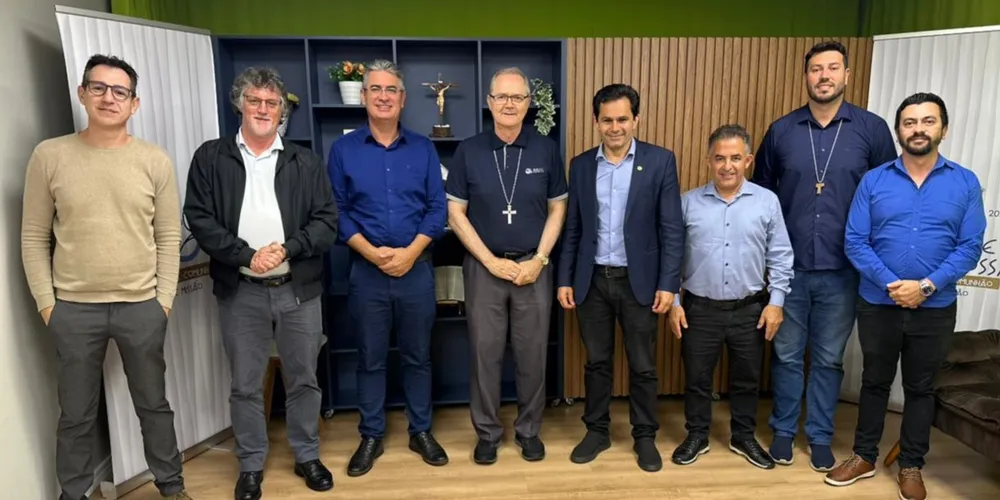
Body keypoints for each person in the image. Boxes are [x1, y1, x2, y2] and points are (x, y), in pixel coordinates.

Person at [20, 54, 192, 500]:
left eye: (120, 91)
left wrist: (164, 300)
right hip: (73, 309)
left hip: (141, 306)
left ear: (134, 104)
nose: (108, 98)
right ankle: (74, 493)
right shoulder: (50, 155)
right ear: (82, 93)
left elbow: (169, 236)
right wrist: (47, 303)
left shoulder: (154, 160)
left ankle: (171, 487)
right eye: (98, 87)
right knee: (75, 413)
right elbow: (34, 237)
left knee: (153, 406)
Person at [183, 66, 338, 499]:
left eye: (272, 103)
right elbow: (200, 219)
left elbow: (327, 223)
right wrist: (247, 255)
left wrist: (286, 248)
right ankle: (251, 464)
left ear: (282, 111)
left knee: (304, 379)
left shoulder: (304, 161)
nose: (264, 109)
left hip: (298, 289)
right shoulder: (211, 158)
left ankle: (307, 455)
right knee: (245, 383)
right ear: (239, 104)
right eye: (255, 100)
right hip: (241, 291)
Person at [826, 92, 986, 500]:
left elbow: (970, 246)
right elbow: (856, 241)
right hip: (879, 302)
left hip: (935, 306)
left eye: (928, 121)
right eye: (910, 122)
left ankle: (911, 464)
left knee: (921, 388)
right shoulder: (875, 180)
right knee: (875, 382)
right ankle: (863, 456)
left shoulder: (964, 182)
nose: (918, 129)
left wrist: (926, 286)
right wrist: (894, 285)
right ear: (899, 131)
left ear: (943, 129)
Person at [751, 40, 899, 471]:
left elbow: (885, 195)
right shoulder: (781, 131)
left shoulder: (871, 130)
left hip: (844, 268)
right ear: (806, 76)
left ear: (846, 75)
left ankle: (818, 435)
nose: (824, 76)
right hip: (789, 267)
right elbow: (763, 196)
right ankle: (782, 430)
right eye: (816, 69)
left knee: (830, 358)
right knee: (787, 354)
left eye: (833, 68)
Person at [327, 59, 449, 476]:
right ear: (363, 97)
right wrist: (373, 253)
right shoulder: (343, 150)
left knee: (418, 356)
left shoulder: (423, 148)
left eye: (391, 90)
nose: (383, 96)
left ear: (402, 99)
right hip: (366, 272)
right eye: (375, 89)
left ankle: (421, 431)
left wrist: (410, 253)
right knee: (371, 358)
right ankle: (372, 435)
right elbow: (337, 212)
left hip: (416, 270)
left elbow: (437, 209)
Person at [557, 83, 684, 472]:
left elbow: (672, 229)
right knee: (597, 362)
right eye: (607, 119)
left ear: (636, 120)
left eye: (623, 119)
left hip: (640, 282)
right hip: (592, 279)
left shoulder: (660, 162)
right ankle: (596, 430)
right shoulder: (580, 166)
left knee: (643, 364)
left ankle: (644, 436)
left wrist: (669, 285)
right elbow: (573, 228)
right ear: (596, 122)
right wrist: (564, 278)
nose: (615, 127)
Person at [445, 67, 568, 465]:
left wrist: (541, 259)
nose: (509, 104)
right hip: (484, 270)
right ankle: (487, 433)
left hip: (535, 268)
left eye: (517, 98)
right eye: (502, 97)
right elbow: (455, 213)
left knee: (533, 355)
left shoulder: (546, 149)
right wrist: (490, 261)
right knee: (485, 354)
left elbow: (558, 207)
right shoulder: (469, 150)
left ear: (529, 104)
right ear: (489, 102)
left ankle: (529, 430)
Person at [668, 124, 794, 470]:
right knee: (696, 378)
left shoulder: (767, 202)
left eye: (735, 158)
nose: (727, 166)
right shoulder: (688, 202)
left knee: (747, 378)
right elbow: (672, 258)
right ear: (709, 160)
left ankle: (742, 435)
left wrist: (776, 302)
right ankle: (697, 434)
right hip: (699, 309)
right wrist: (674, 304)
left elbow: (781, 255)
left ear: (748, 160)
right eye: (720, 158)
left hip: (750, 309)